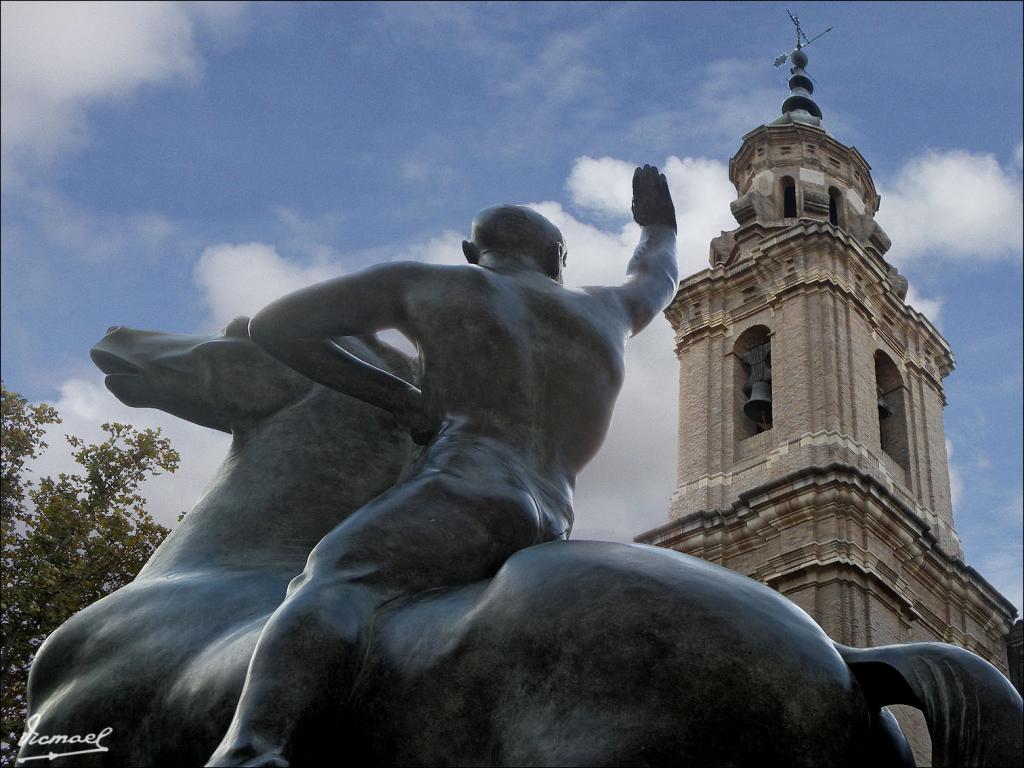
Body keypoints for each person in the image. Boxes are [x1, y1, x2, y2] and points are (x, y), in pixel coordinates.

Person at [207, 165, 678, 766]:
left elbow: (277, 326)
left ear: (470, 251)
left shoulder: (429, 283)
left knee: (333, 579)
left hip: (465, 490)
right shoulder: (608, 310)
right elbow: (656, 273)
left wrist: (398, 397)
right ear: (559, 256)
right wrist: (658, 226)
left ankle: (252, 750)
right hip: (553, 516)